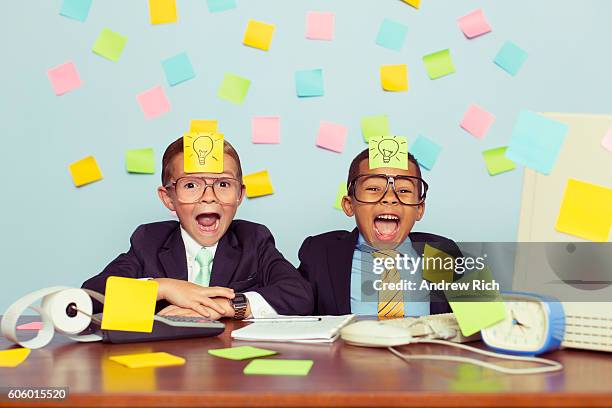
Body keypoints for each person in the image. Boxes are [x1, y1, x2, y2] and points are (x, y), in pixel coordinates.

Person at [83, 136, 313, 320]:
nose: (209, 198)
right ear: (168, 198)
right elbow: (90, 298)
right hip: (165, 366)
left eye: (223, 184)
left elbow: (299, 294)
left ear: (240, 194)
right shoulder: (149, 241)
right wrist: (161, 288)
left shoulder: (253, 240)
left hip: (231, 367)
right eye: (191, 185)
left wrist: (227, 306)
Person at [298, 148, 462, 317]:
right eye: (374, 188)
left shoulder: (443, 251)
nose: (389, 197)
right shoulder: (319, 252)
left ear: (419, 209)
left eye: (404, 190)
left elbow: (486, 323)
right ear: (349, 204)